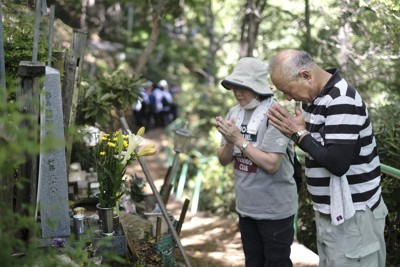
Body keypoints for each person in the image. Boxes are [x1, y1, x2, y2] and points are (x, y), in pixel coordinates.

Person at [266, 49, 388, 267]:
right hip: (331, 214)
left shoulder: (341, 99)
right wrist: (302, 134)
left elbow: (337, 163)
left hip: (355, 216)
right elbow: (318, 148)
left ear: (306, 75)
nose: (287, 97)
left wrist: (299, 135)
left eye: (287, 90)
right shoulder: (313, 101)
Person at [216, 57, 298, 267]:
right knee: (252, 262)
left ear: (258, 87)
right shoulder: (234, 113)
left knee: (276, 263)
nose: (237, 92)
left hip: (275, 210)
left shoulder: (276, 114)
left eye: (243, 86)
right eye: (235, 86)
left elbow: (272, 164)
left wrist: (238, 140)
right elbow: (224, 160)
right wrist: (227, 141)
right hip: (246, 207)